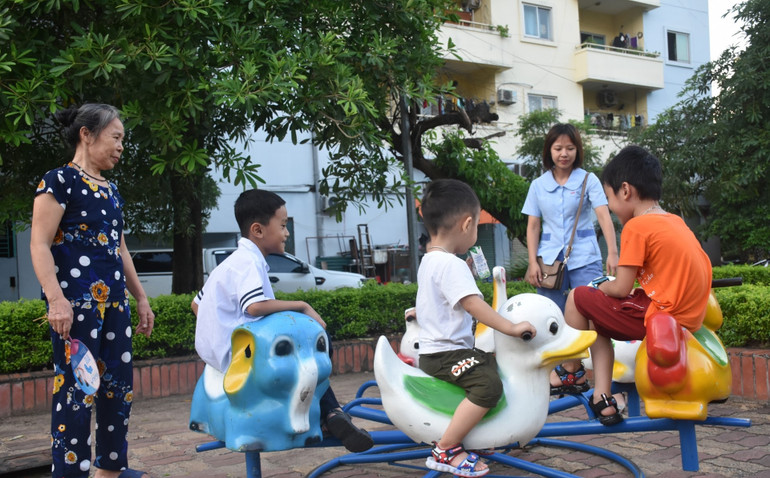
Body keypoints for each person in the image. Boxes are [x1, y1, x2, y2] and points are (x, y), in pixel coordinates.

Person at [192, 189, 373, 453]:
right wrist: (302, 306)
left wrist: (220, 334)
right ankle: (331, 413)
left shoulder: (232, 262)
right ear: (258, 230)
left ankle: (330, 413)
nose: (287, 233)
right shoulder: (248, 262)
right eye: (283, 225)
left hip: (227, 354)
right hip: (244, 356)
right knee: (316, 342)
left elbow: (196, 304)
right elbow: (254, 306)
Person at [30, 104, 155, 478]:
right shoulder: (58, 182)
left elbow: (119, 247)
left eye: (122, 140)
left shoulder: (111, 190)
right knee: (76, 395)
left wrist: (141, 297)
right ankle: (70, 473)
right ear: (87, 134)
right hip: (76, 309)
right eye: (115, 138)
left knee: (119, 391)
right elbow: (38, 244)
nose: (120, 147)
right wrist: (56, 300)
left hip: (115, 306)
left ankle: (109, 471)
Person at [561, 145, 712, 426]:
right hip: (685, 319)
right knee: (597, 320)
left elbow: (619, 288)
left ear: (626, 190)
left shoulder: (636, 227)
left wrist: (602, 288)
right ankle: (602, 397)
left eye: (609, 198)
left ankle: (571, 371)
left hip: (663, 319)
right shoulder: (674, 221)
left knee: (578, 296)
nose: (609, 206)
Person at [417, 179, 536, 477]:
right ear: (467, 224)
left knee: (490, 364)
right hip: (446, 355)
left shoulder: (431, 260)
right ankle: (447, 449)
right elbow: (474, 306)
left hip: (440, 352)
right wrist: (511, 327)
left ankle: (476, 435)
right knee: (488, 384)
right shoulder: (451, 265)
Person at [521, 123, 619, 395]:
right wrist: (532, 261)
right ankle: (561, 372)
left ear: (577, 150)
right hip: (550, 263)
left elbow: (602, 215)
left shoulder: (589, 180)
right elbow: (532, 226)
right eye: (558, 148)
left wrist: (613, 252)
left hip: (585, 257)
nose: (564, 153)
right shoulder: (538, 185)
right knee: (550, 317)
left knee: (593, 317)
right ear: (549, 151)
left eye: (570, 148)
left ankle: (576, 372)